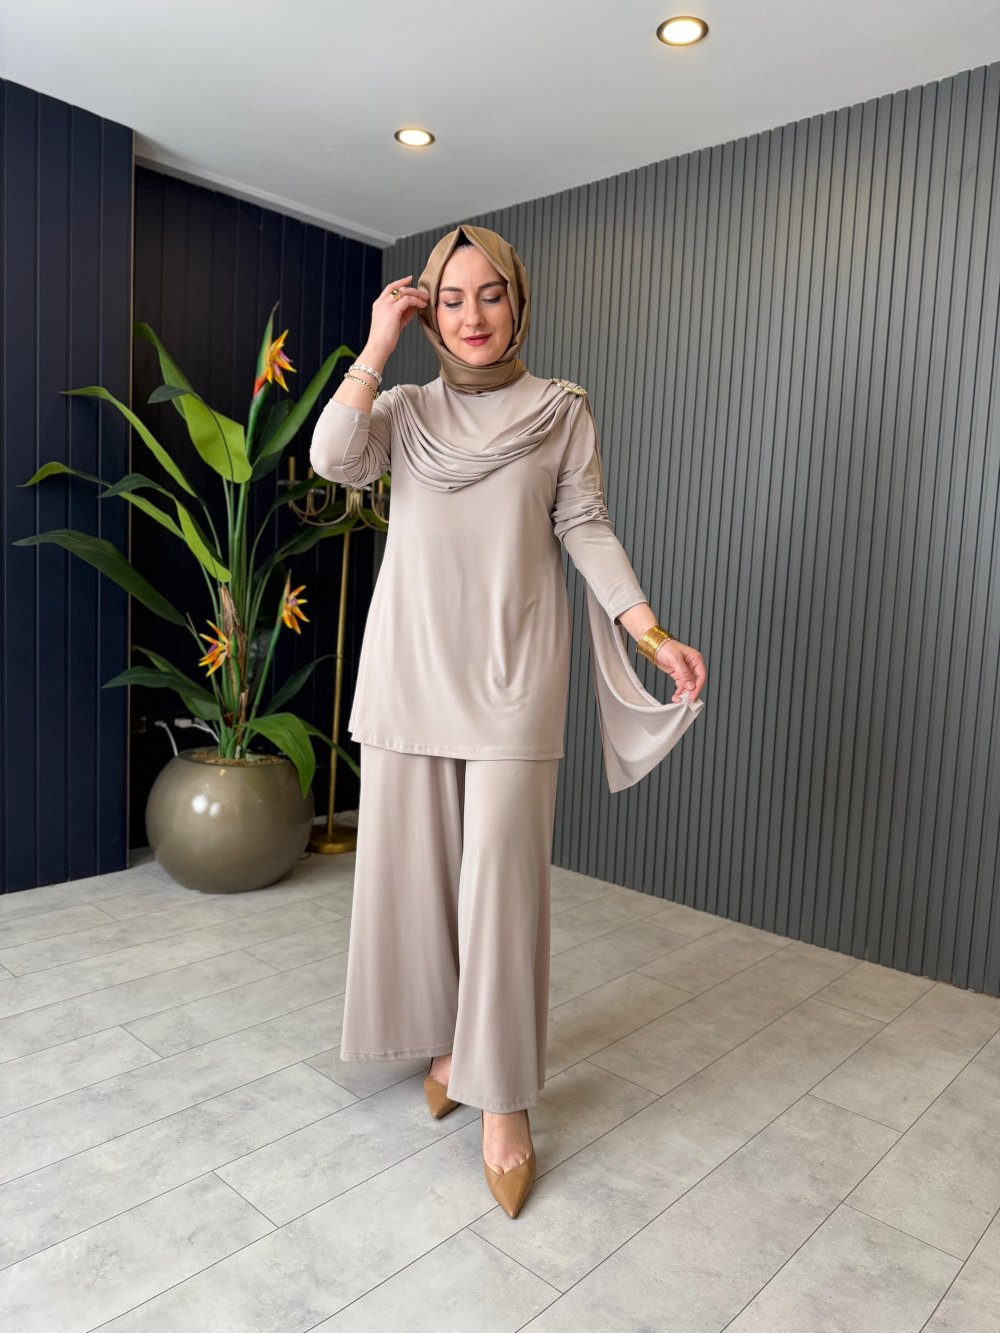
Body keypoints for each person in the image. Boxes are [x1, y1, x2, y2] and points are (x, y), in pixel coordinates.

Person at [309, 223, 707, 1219]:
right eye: (450, 299)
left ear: (519, 302)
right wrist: (376, 341)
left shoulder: (561, 410)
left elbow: (585, 525)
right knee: (419, 877)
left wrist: (650, 632)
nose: (472, 316)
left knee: (503, 889)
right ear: (428, 314)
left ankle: (505, 1097)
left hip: (513, 674)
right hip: (411, 671)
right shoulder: (402, 410)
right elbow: (331, 458)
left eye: (490, 294)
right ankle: (446, 1044)